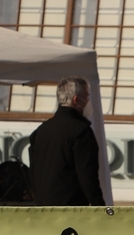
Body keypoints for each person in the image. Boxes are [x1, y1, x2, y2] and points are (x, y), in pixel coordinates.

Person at [28, 76, 105, 206]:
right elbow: (87, 175)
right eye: (86, 97)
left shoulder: (41, 131)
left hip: (43, 207)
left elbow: (33, 173)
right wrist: (101, 208)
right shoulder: (81, 131)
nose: (88, 102)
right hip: (71, 208)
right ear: (76, 100)